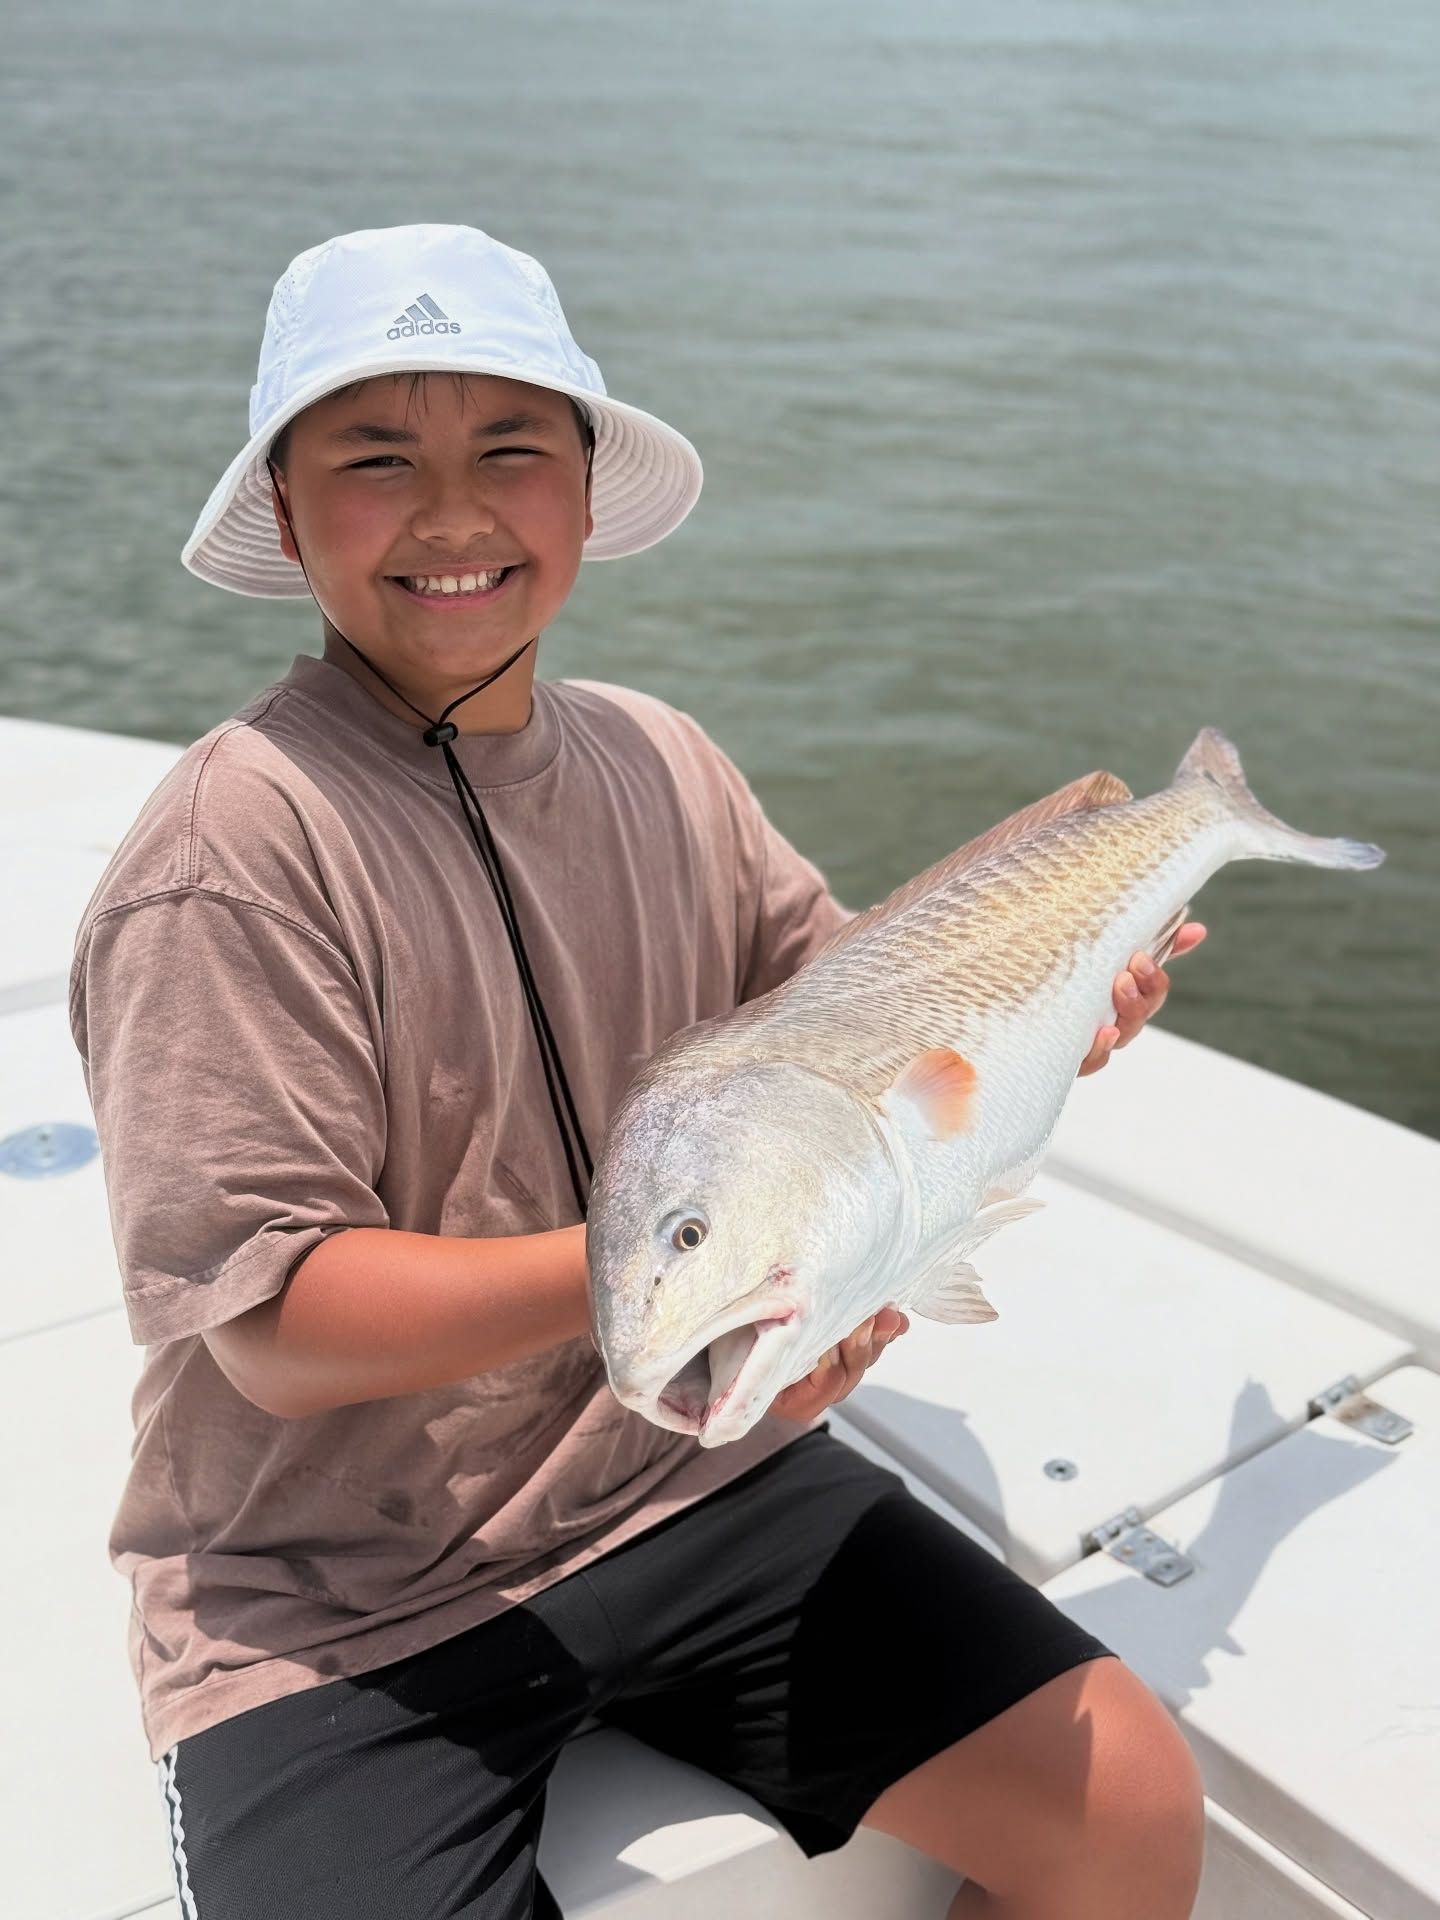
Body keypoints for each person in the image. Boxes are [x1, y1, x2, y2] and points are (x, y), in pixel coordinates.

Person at [71, 224, 1207, 1919]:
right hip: (335, 1605)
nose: (453, 513)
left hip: (691, 1477)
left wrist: (1029, 1013)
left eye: (511, 451)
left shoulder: (667, 762)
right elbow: (279, 1324)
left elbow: (846, 1038)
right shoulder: (235, 852)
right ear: (290, 514)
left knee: (1125, 1801)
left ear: (586, 497)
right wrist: (690, 1283)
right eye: (378, 460)